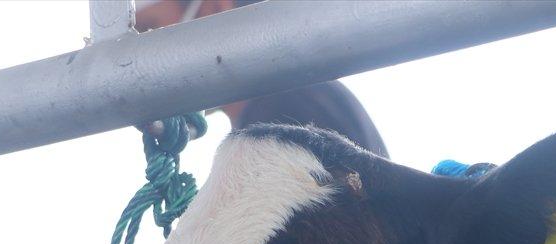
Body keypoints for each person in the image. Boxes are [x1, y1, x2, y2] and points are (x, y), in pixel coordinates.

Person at [135, 0, 390, 158]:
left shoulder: (291, 113)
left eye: (148, 30)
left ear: (214, 7)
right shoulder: (289, 101)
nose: (134, 64)